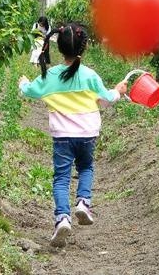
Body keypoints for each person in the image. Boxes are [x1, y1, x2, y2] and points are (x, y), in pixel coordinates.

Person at [18, 23, 127, 248]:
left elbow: (29, 91)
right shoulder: (90, 75)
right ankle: (83, 203)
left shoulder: (50, 76)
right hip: (88, 134)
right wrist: (118, 90)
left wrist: (23, 83)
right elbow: (106, 98)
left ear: (59, 49)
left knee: (61, 178)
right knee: (86, 168)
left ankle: (62, 219)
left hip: (62, 137)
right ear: (83, 48)